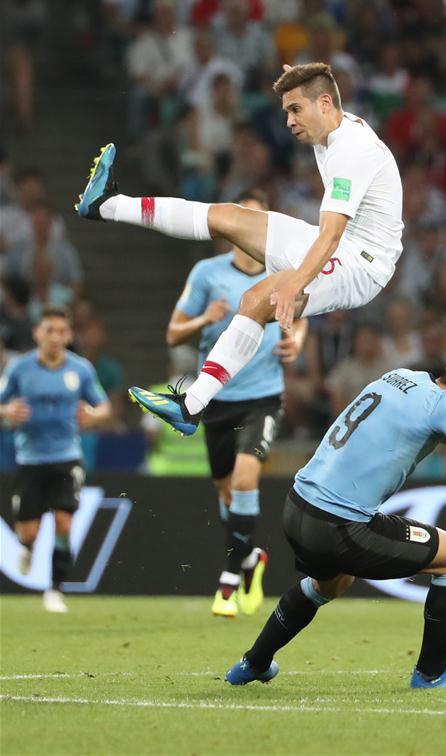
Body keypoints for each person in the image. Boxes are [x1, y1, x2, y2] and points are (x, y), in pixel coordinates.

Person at [75, 62, 403, 435]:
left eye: (295, 110)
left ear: (324, 103)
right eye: (286, 111)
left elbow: (329, 237)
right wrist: (304, 79)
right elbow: (323, 91)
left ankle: (192, 405)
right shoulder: (333, 124)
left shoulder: (351, 152)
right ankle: (105, 205)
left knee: (256, 299)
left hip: (361, 265)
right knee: (229, 217)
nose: (289, 122)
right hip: (340, 242)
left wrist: (293, 285)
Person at [224, 356, 446, 690]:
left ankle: (254, 662)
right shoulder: (445, 407)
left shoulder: (401, 375)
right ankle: (431, 674)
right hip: (339, 526)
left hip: (298, 506)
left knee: (331, 584)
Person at [165, 188, 308, 618]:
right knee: (228, 495)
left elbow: (302, 318)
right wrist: (204, 319)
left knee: (246, 480)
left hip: (263, 397)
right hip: (217, 400)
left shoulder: (284, 270)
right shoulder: (207, 273)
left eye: (259, 219)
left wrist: (296, 342)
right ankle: (250, 560)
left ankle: (228, 580)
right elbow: (173, 334)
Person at [0, 306, 111, 613]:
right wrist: (7, 412)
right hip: (31, 459)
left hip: (67, 457)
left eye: (62, 331)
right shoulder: (19, 369)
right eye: (49, 330)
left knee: (64, 523)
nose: (55, 337)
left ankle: (55, 589)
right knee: (29, 531)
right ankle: (26, 548)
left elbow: (103, 407)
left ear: (69, 335)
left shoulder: (81, 369)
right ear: (38, 333)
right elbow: (1, 405)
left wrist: (93, 416)